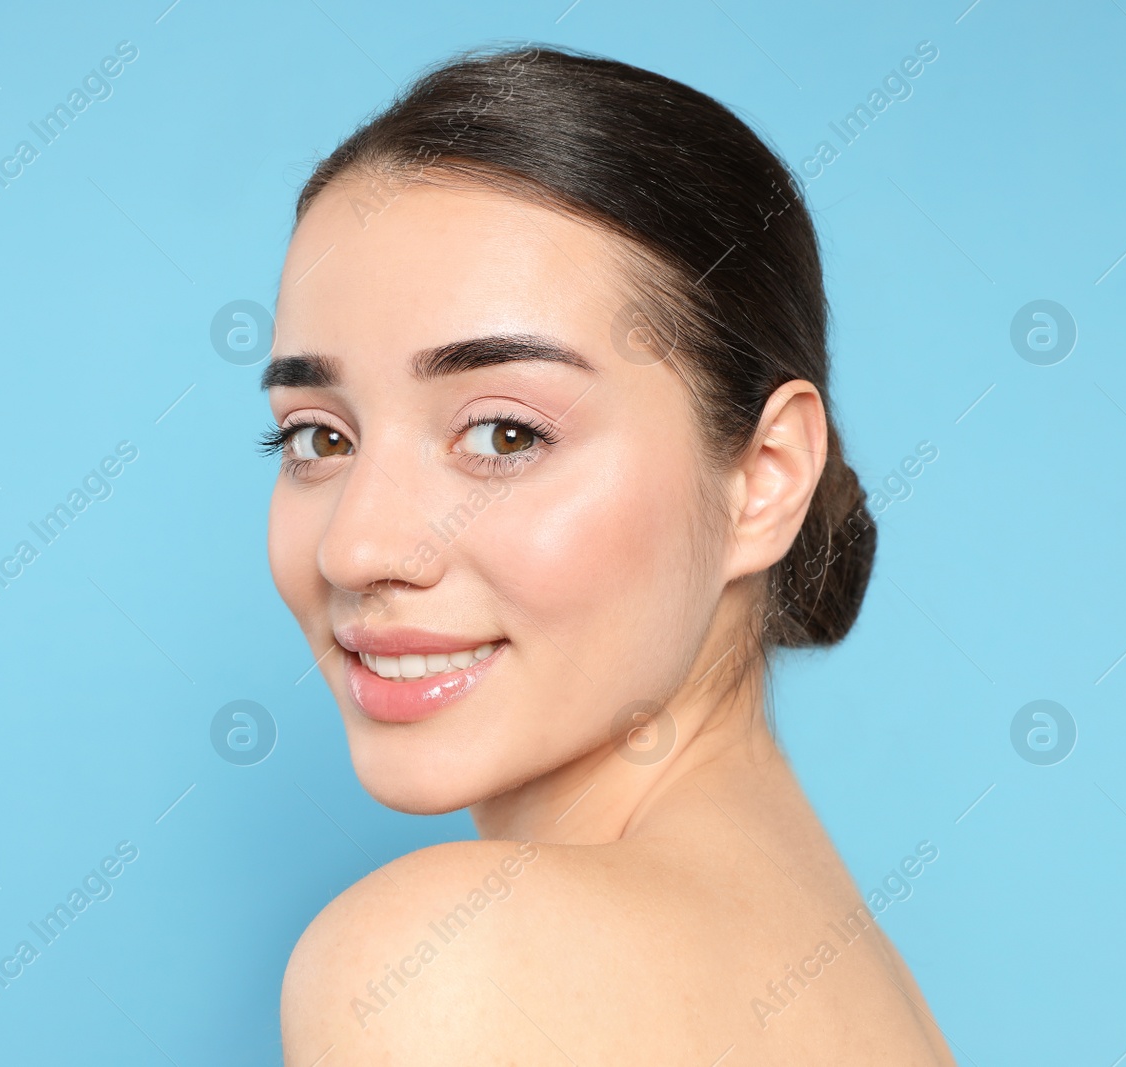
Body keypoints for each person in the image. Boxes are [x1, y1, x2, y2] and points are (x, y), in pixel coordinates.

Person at [261, 42, 955, 1065]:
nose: (356, 546)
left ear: (763, 475)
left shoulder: (451, 965)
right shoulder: (844, 972)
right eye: (319, 436)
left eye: (504, 433)